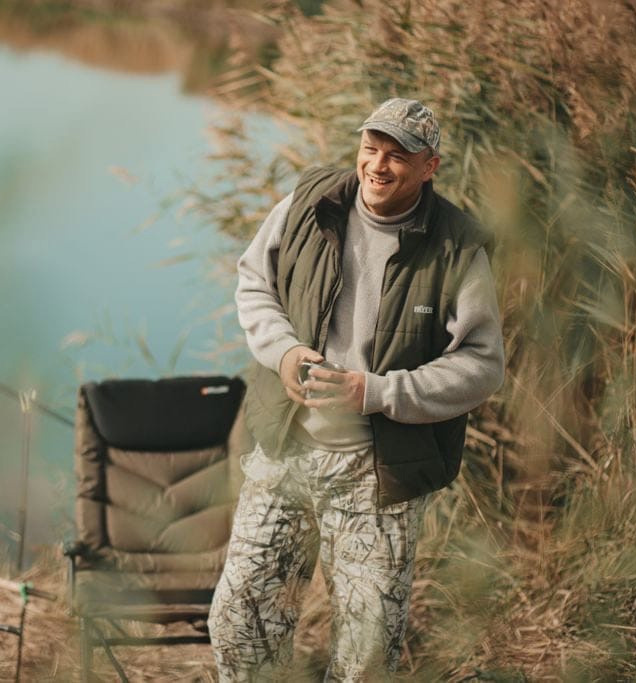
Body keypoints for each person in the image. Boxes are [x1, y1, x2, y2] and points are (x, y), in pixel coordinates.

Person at [207, 98, 505, 681]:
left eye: (398, 156)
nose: (378, 165)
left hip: (378, 471)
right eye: (371, 148)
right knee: (239, 620)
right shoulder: (309, 203)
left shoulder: (457, 246)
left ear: (430, 167)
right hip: (285, 451)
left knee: (366, 654)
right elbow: (253, 282)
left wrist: (375, 391)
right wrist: (284, 351)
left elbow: (481, 364)